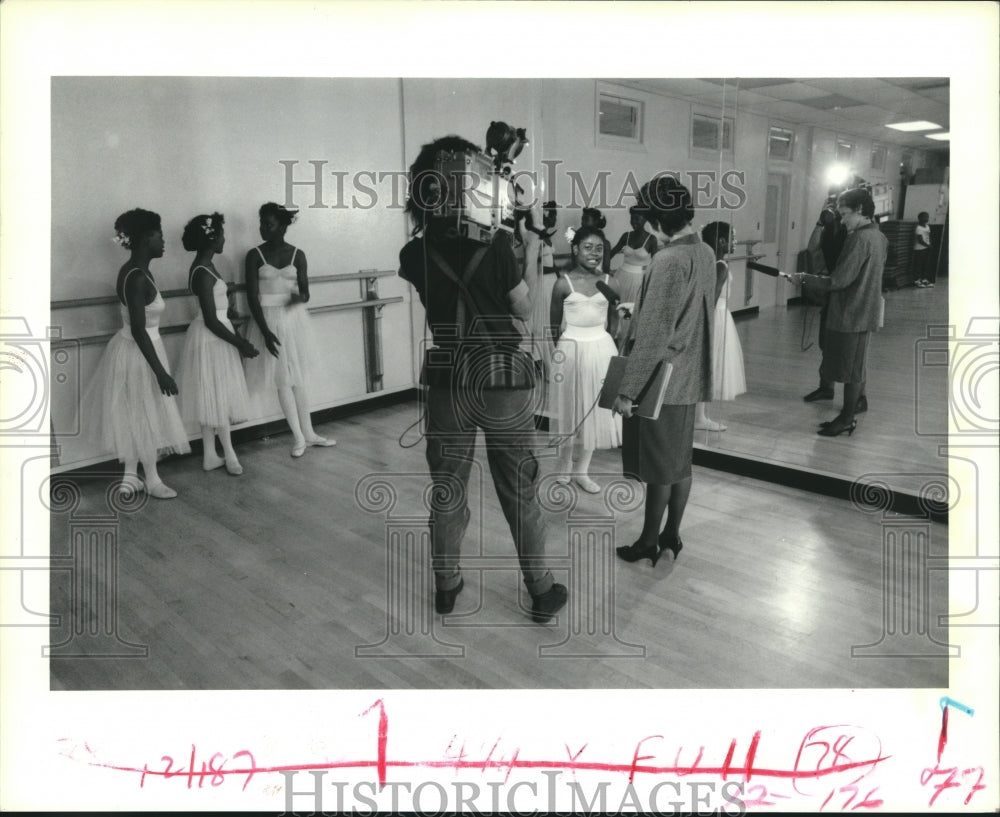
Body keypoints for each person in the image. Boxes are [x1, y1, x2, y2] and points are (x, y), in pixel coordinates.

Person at [398, 134, 567, 623]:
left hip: (449, 381)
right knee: (519, 487)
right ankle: (539, 588)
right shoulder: (496, 244)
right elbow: (524, 307)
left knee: (447, 486)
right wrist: (528, 249)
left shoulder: (414, 254)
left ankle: (446, 585)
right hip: (501, 381)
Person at [611, 177, 716, 566]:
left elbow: (654, 336)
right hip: (689, 371)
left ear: (655, 220)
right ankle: (671, 534)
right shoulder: (703, 250)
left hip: (664, 378)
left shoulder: (669, 260)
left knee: (659, 467)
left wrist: (627, 392)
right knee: (679, 462)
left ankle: (648, 542)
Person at [84, 208, 191, 498]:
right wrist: (161, 373)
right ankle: (152, 479)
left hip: (138, 348)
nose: (163, 241)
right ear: (145, 239)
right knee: (144, 413)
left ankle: (130, 477)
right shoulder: (136, 277)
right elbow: (140, 330)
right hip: (138, 351)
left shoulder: (140, 271)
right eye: (159, 235)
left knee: (137, 413)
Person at [788, 187, 888, 436]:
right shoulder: (878, 236)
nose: (842, 220)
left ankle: (846, 418)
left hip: (852, 312)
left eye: (845, 214)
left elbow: (838, 281)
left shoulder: (859, 239)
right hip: (862, 309)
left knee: (852, 370)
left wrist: (804, 279)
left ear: (860, 211)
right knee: (853, 366)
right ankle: (846, 413)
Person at [244, 202, 335, 457]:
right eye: (261, 223)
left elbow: (305, 293)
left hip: (293, 319)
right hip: (267, 320)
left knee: (299, 379)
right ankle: (297, 437)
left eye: (268, 224)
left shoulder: (298, 254)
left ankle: (309, 433)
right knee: (282, 380)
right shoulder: (254, 255)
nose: (263, 229)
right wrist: (264, 330)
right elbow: (252, 297)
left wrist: (294, 299)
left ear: (282, 227)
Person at [177, 212, 259, 475]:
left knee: (212, 394)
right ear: (212, 239)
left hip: (215, 334)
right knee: (217, 394)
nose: (225, 239)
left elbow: (217, 309)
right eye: (222, 234)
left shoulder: (207, 266)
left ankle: (211, 455)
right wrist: (240, 343)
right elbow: (211, 319)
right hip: (212, 337)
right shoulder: (202, 270)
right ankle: (229, 454)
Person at [548, 226, 622, 493]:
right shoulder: (562, 284)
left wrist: (613, 339)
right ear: (575, 249)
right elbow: (553, 326)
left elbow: (615, 320)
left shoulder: (610, 281)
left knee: (595, 410)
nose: (594, 253)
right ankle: (565, 465)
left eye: (599, 248)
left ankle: (583, 470)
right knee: (570, 409)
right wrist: (554, 360)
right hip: (570, 350)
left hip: (601, 348)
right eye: (588, 247)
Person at [695, 221, 746, 431]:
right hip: (717, 317)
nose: (735, 242)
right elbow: (712, 298)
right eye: (732, 238)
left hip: (718, 316)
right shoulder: (720, 266)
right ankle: (700, 417)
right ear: (722, 241)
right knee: (710, 366)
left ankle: (700, 416)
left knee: (708, 366)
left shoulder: (707, 261)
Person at [802, 206, 850, 405]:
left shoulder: (854, 231)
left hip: (847, 290)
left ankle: (858, 396)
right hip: (832, 289)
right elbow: (812, 247)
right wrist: (820, 223)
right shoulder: (829, 229)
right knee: (825, 342)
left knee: (848, 348)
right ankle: (826, 387)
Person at [607, 206, 658, 343]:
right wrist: (605, 271)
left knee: (633, 313)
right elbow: (610, 253)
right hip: (621, 277)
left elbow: (657, 263)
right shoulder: (626, 236)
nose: (634, 221)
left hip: (639, 281)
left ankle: (630, 343)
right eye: (632, 218)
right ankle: (617, 343)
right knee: (619, 312)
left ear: (645, 219)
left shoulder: (652, 239)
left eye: (637, 218)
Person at [912, 211, 934, 287]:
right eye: (925, 217)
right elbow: (920, 240)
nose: (926, 218)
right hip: (919, 249)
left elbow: (928, 236)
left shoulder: (927, 227)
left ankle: (924, 279)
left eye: (927, 217)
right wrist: (928, 246)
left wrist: (930, 244)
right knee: (918, 265)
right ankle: (917, 280)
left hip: (926, 248)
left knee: (925, 265)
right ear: (920, 218)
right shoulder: (918, 228)